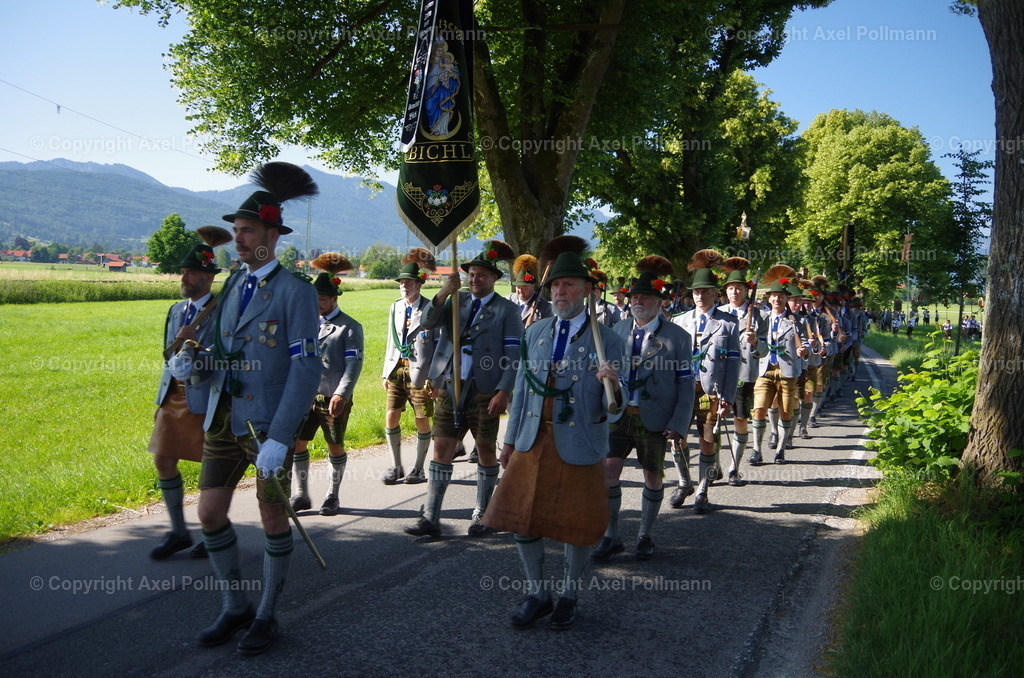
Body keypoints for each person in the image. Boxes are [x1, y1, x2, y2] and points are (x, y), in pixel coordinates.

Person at [172, 162, 321, 655]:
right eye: (235, 231)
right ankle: (234, 604)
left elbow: (305, 368)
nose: (237, 239)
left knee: (273, 519)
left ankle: (266, 614)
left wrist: (282, 436)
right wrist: (193, 364)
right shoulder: (234, 284)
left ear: (272, 234)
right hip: (223, 417)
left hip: (264, 428)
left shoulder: (296, 292)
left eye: (247, 231)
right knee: (210, 513)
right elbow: (220, 349)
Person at [483, 244, 625, 630]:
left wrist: (613, 385)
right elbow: (523, 389)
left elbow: (617, 408)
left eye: (570, 285)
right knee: (521, 520)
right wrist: (509, 440)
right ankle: (537, 593)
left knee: (575, 525)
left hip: (579, 442)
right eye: (557, 285)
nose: (561, 292)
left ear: (586, 290)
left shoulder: (608, 339)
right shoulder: (536, 331)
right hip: (532, 439)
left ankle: (569, 595)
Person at [405, 241, 523, 537]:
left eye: (482, 275)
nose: (475, 279)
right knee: (442, 446)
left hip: (486, 390)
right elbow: (428, 323)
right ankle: (431, 516)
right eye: (471, 274)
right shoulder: (456, 301)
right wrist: (444, 292)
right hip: (449, 384)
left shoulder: (507, 310)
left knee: (484, 449)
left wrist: (504, 391)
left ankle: (483, 515)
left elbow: (514, 355)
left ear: (495, 278)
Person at [593, 255, 693, 562]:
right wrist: (603, 375)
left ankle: (645, 535)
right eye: (635, 296)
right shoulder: (615, 330)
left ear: (659, 302)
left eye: (645, 297)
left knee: (652, 475)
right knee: (609, 471)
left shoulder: (678, 337)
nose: (638, 301)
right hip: (618, 413)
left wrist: (679, 422)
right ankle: (612, 536)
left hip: (655, 417)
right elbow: (603, 367)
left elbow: (686, 384)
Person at [147, 239, 221, 560]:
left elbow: (226, 357)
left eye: (191, 273)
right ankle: (179, 531)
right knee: (162, 460)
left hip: (205, 399)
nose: (184, 278)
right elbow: (169, 359)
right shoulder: (175, 310)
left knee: (211, 469)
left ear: (208, 277)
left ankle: (214, 532)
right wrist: (160, 400)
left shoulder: (222, 312)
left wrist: (198, 347)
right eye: (183, 273)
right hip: (173, 397)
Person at [290, 253, 364, 515]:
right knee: (298, 442)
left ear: (334, 298)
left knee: (334, 444)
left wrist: (342, 394)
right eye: (315, 298)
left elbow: (353, 365)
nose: (317, 303)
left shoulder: (349, 327)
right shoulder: (306, 323)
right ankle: (300, 494)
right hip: (305, 397)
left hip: (332, 396)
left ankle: (333, 495)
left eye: (321, 299)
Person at [669, 250, 740, 513]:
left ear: (715, 294)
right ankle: (684, 481)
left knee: (708, 440)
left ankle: (703, 490)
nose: (700, 296)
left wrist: (728, 398)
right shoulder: (679, 321)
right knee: (676, 437)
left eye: (706, 291)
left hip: (711, 392)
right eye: (696, 292)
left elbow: (733, 365)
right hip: (682, 391)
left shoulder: (729, 324)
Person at [381, 248, 438, 485]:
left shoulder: (430, 308)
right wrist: (386, 372)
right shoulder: (395, 307)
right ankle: (396, 467)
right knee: (391, 416)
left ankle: (418, 468)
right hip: (397, 371)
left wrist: (435, 378)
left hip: (420, 373)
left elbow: (438, 344)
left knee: (421, 418)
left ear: (419, 284)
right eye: (402, 282)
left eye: (409, 282)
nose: (404, 285)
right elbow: (390, 341)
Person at [747, 266, 808, 465]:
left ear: (785, 298)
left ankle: (781, 449)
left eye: (780, 296)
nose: (776, 299)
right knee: (759, 409)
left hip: (787, 370)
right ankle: (756, 449)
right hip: (764, 369)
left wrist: (805, 349)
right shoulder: (760, 318)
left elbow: (806, 342)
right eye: (773, 296)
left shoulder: (796, 321)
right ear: (769, 299)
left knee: (785, 412)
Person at [717, 257, 768, 485]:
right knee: (713, 422)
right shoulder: (718, 313)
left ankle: (734, 467)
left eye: (738, 288)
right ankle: (713, 464)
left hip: (744, 375)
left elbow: (765, 351)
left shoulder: (759, 316)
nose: (734, 292)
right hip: (717, 376)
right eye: (730, 288)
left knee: (740, 420)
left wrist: (755, 341)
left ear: (747, 290)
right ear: (726, 291)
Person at [508, 253, 552, 325]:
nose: (520, 290)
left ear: (532, 286)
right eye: (518, 287)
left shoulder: (545, 307)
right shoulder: (507, 301)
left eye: (524, 287)